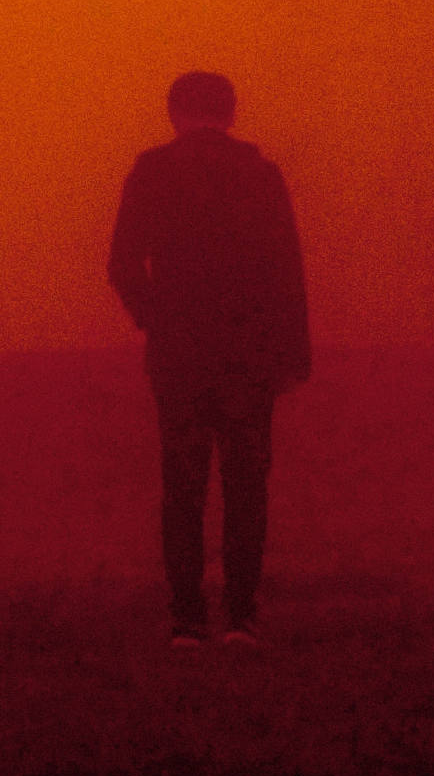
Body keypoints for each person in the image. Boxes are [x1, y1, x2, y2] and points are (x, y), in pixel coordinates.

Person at [107, 71, 309, 648]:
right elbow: (286, 273)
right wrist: (290, 355)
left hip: (179, 355)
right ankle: (242, 616)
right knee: (247, 485)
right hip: (248, 354)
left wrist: (157, 320)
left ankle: (187, 620)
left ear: (174, 113)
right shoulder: (261, 175)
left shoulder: (151, 173)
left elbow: (122, 264)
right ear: (232, 112)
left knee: (183, 485)